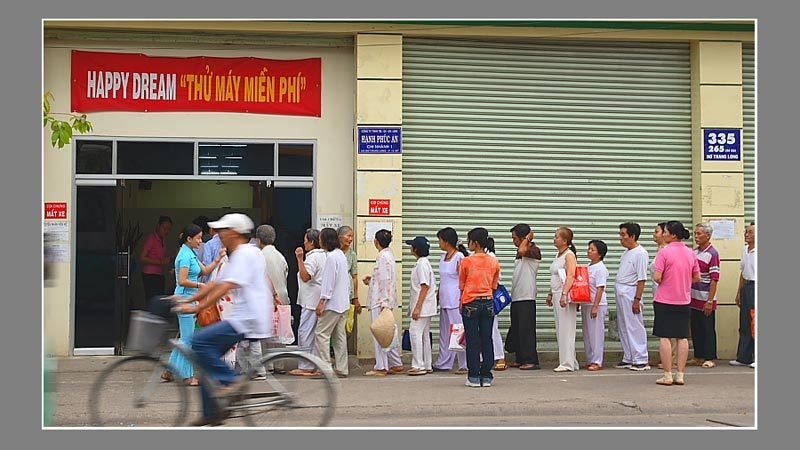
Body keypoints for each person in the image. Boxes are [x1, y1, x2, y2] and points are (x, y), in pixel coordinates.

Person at [175, 213, 272, 426]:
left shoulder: (245, 254)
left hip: (247, 318)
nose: (219, 236)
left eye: (223, 232)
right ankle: (212, 413)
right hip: (244, 316)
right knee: (203, 356)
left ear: (235, 233)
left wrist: (198, 306)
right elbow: (214, 283)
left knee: (199, 341)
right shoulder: (240, 254)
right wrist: (190, 299)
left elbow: (223, 286)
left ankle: (232, 381)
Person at [162, 224, 225, 386]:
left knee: (184, 337)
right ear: (188, 239)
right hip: (185, 298)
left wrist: (217, 259)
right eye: (197, 238)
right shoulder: (184, 256)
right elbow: (182, 280)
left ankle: (169, 370)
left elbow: (204, 271)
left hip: (191, 298)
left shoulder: (191, 253)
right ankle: (187, 376)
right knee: (187, 339)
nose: (200, 241)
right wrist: (200, 286)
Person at [652, 221, 701, 386]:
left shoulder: (664, 252)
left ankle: (667, 375)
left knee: (665, 336)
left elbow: (657, 277)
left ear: (672, 235)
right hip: (684, 300)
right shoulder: (690, 253)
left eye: (665, 232)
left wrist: (666, 280)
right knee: (682, 337)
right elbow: (697, 277)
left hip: (664, 300)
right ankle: (680, 374)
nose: (663, 234)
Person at [459, 227, 501, 387]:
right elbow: (494, 284)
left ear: (474, 243)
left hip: (470, 302)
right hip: (488, 302)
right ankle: (487, 375)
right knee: (487, 339)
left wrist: (461, 301)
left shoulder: (466, 261)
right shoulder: (493, 261)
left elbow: (462, 284)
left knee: (472, 340)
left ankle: (474, 376)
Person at [362, 229, 405, 376]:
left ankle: (381, 366)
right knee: (388, 333)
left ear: (376, 241)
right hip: (384, 299)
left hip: (380, 301)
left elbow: (385, 280)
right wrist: (371, 280)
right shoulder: (389, 255)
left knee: (379, 333)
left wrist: (384, 302)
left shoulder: (382, 257)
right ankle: (395, 363)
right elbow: (384, 279)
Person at [289, 229, 327, 376]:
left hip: (311, 301)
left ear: (312, 242)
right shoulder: (324, 256)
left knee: (305, 332)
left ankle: (305, 366)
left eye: (306, 240)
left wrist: (299, 259)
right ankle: (315, 364)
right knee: (316, 334)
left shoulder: (312, 258)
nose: (304, 242)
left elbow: (306, 277)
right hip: (318, 299)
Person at [431, 227, 469, 374]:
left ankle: (463, 363)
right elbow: (443, 279)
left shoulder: (459, 257)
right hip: (445, 298)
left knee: (458, 331)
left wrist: (463, 298)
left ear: (446, 242)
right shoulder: (443, 257)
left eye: (440, 240)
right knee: (445, 332)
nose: (439, 243)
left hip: (455, 299)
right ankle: (444, 362)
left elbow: (463, 279)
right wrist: (438, 295)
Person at [614, 222, 651, 371]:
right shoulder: (627, 252)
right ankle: (629, 356)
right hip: (622, 290)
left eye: (623, 235)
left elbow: (641, 278)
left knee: (634, 325)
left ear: (633, 236)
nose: (620, 238)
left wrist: (637, 299)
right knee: (623, 325)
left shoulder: (640, 253)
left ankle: (641, 358)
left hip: (631, 291)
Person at [315, 227, 351, 378]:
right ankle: (342, 368)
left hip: (333, 303)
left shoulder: (330, 257)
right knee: (339, 336)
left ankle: (326, 368)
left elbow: (329, 282)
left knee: (321, 334)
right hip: (343, 303)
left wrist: (322, 301)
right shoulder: (341, 255)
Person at [506, 223, 542, 371]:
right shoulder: (522, 251)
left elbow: (522, 249)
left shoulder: (532, 250)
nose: (513, 241)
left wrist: (527, 238)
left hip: (527, 295)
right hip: (517, 295)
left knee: (526, 330)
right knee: (518, 328)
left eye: (515, 238)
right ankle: (520, 357)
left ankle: (531, 360)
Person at [546, 227, 580, 372]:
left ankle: (567, 363)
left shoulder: (569, 255)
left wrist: (565, 294)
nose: (554, 239)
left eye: (557, 237)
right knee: (560, 328)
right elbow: (556, 276)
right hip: (556, 293)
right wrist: (550, 293)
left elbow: (571, 275)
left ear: (565, 240)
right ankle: (568, 359)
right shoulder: (558, 255)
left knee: (567, 328)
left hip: (564, 294)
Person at [405, 236, 438, 376]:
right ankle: (427, 363)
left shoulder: (421, 265)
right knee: (424, 334)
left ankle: (418, 365)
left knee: (415, 332)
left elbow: (424, 286)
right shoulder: (424, 263)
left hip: (423, 306)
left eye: (412, 246)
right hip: (427, 305)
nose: (410, 248)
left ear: (416, 249)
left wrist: (417, 307)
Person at [689, 222, 720, 368]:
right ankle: (698, 355)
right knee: (696, 327)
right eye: (695, 233)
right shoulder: (694, 252)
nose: (696, 236)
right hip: (693, 297)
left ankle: (709, 357)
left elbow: (714, 279)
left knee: (707, 327)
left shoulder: (712, 254)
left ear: (707, 235)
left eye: (699, 233)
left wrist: (710, 301)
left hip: (705, 297)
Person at [730, 222, 756, 368]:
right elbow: (743, 272)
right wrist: (739, 292)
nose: (747, 234)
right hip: (747, 287)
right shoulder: (745, 250)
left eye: (751, 232)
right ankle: (744, 357)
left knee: (756, 323)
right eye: (746, 231)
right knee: (745, 323)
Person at [651, 223, 676, 370]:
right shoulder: (659, 250)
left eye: (657, 232)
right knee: (664, 329)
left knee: (670, 329)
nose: (654, 234)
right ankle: (666, 357)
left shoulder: (668, 251)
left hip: (668, 294)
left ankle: (672, 359)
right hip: (658, 294)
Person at [582, 240, 609, 371]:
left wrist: (596, 306)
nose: (589, 251)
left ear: (599, 254)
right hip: (586, 302)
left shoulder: (600, 268)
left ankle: (597, 361)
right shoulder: (589, 266)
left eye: (592, 250)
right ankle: (590, 358)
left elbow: (600, 288)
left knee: (596, 333)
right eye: (589, 249)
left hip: (596, 303)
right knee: (587, 333)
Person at [484, 237, 507, 371]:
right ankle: (487, 357)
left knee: (492, 327)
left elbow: (497, 278)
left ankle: (500, 356)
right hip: (480, 296)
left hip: (489, 296)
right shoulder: (480, 256)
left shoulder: (491, 257)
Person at [338, 226, 362, 353]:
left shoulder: (352, 254)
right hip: (334, 294)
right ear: (340, 237)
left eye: (352, 236)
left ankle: (341, 352)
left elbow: (355, 277)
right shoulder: (333, 252)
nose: (351, 239)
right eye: (348, 236)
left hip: (347, 293)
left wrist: (356, 298)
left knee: (345, 325)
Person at [140, 216, 172, 304]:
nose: (166, 231)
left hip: (159, 274)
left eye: (169, 229)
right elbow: (142, 257)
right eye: (164, 228)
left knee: (159, 300)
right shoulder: (151, 238)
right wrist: (161, 262)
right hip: (150, 275)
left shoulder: (162, 240)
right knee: (152, 300)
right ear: (158, 226)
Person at [256, 224, 290, 306]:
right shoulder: (280, 257)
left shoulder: (259, 257)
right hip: (282, 301)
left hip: (266, 303)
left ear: (258, 240)